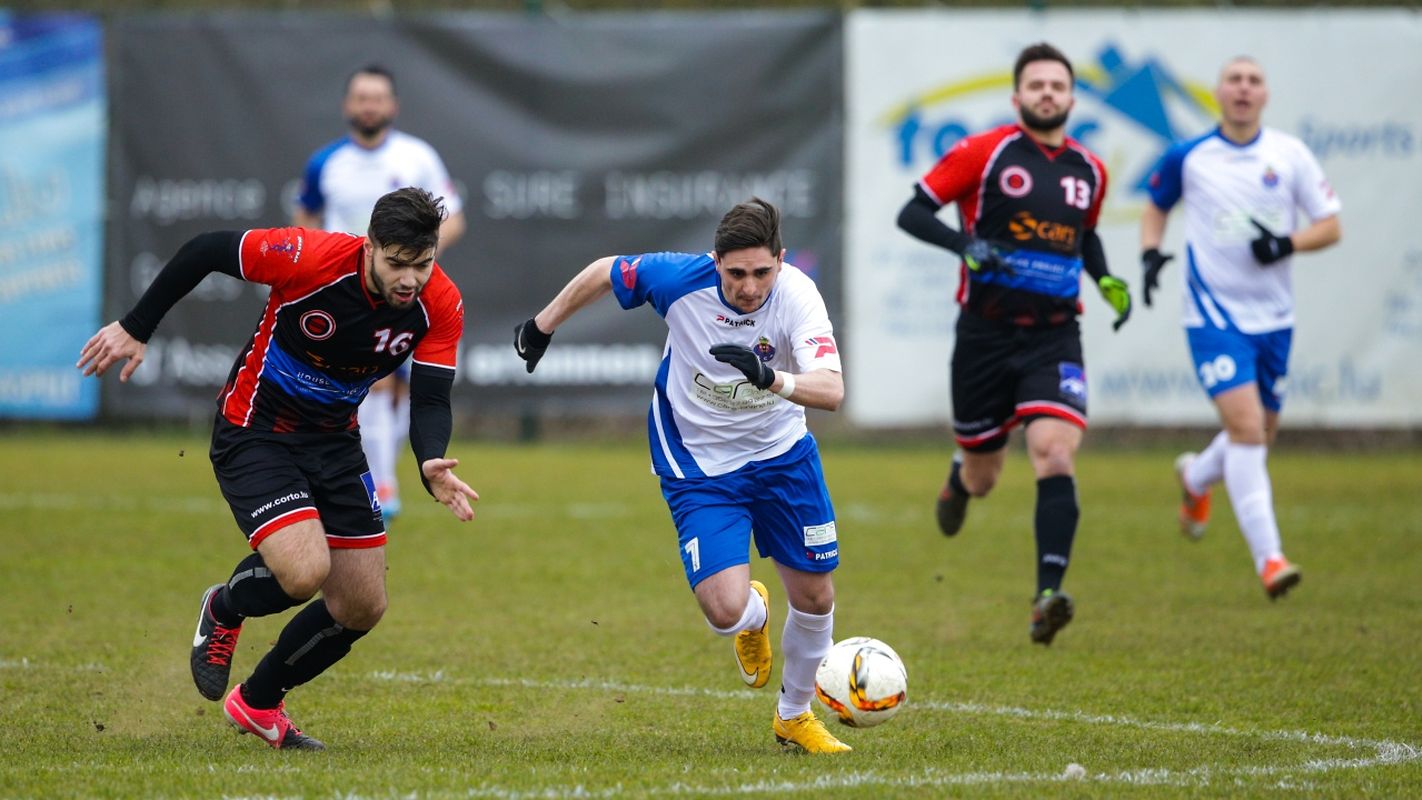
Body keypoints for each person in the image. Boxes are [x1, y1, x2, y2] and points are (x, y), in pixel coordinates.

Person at [78, 188, 478, 750]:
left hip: (335, 442)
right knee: (304, 572)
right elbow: (204, 250)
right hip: (255, 430)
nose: (410, 278)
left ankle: (259, 702)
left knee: (362, 605)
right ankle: (223, 606)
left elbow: (432, 399)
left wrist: (430, 459)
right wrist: (137, 326)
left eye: (423, 263)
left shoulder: (440, 302)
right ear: (369, 247)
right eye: (396, 263)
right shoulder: (308, 258)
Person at [513, 199, 852, 753]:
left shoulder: (797, 295)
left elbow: (832, 390)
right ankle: (755, 613)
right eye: (736, 273)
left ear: (781, 261)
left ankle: (793, 716)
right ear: (715, 261)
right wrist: (543, 325)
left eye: (762, 272)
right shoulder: (677, 278)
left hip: (783, 455)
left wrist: (770, 378)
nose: (749, 287)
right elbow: (605, 271)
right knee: (724, 612)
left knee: (816, 598)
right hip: (699, 462)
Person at [895, 42, 1130, 646]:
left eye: (1058, 85)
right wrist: (962, 245)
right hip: (984, 337)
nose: (1047, 93)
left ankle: (1046, 595)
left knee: (1054, 451)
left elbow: (1088, 237)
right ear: (1018, 95)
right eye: (1037, 85)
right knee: (985, 478)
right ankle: (960, 474)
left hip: (1055, 337)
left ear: (1073, 97)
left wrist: (1104, 279)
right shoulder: (986, 151)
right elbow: (913, 213)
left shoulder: (1090, 170)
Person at [1139, 56, 1341, 599]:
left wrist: (1287, 242)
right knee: (1249, 430)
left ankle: (1197, 477)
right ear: (1218, 93)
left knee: (1257, 437)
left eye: (1253, 81)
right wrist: (1151, 255)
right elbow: (1155, 206)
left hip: (1274, 320)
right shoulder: (1190, 156)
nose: (1243, 89)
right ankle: (1271, 559)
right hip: (1212, 316)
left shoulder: (1289, 154)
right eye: (1235, 80)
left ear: (1266, 94)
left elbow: (1330, 226)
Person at [294, 64, 467, 524]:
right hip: (346, 298)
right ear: (348, 105)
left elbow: (454, 218)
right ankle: (382, 483)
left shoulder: (418, 158)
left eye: (377, 97)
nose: (369, 105)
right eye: (361, 97)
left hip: (407, 295)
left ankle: (377, 474)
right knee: (371, 382)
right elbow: (306, 220)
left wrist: (412, 265)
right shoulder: (325, 163)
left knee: (408, 390)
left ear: (392, 106)